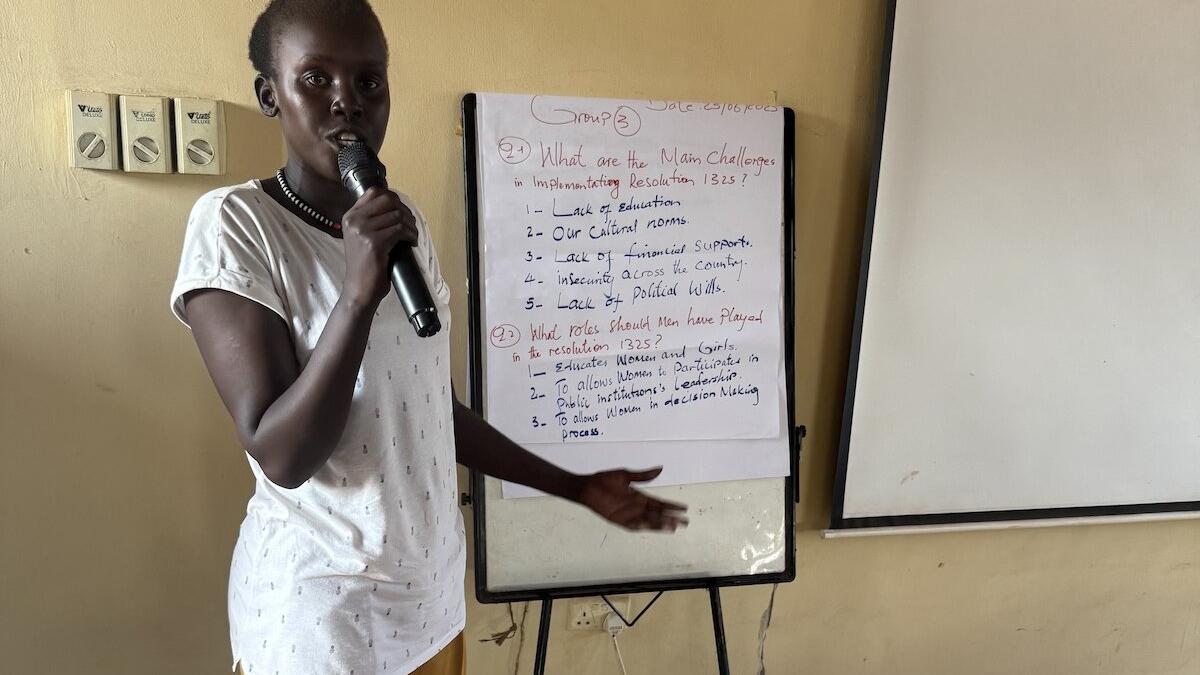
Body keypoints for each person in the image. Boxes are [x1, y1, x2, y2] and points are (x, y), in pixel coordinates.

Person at [168, 1, 687, 673]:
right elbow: (283, 455)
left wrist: (576, 486)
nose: (346, 104)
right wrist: (357, 295)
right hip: (322, 625)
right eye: (315, 80)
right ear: (270, 94)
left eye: (368, 82)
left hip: (427, 605)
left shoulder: (402, 220)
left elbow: (433, 410)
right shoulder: (238, 225)